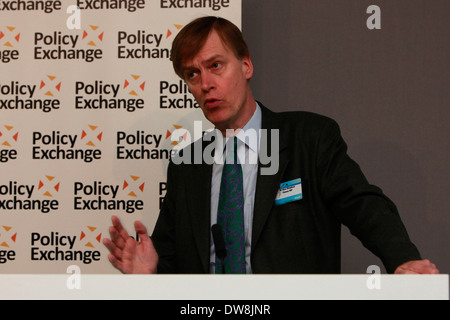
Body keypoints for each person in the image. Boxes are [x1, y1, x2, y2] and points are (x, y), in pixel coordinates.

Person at [103, 16, 439, 275]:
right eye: (192, 75)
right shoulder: (187, 166)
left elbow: (364, 206)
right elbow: (173, 262)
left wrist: (403, 260)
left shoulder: (308, 138)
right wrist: (151, 270)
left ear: (246, 65)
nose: (205, 84)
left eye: (215, 66)